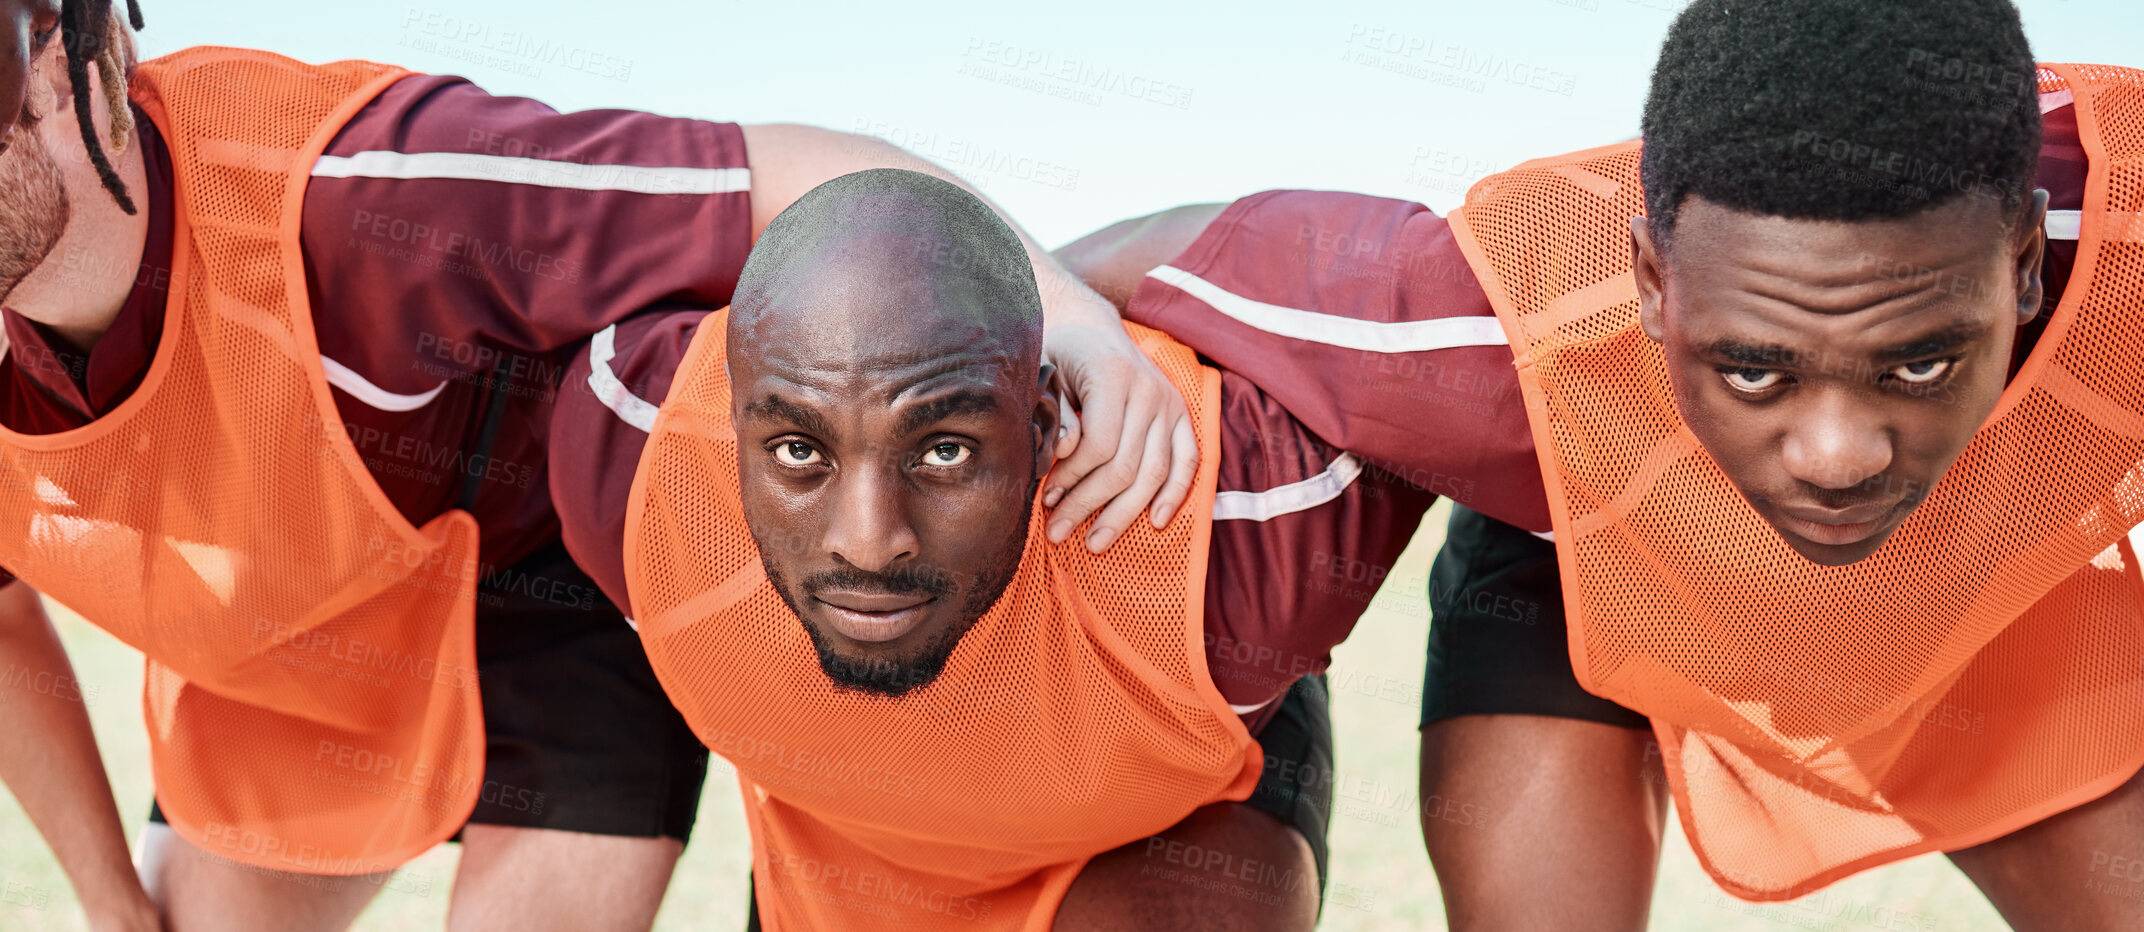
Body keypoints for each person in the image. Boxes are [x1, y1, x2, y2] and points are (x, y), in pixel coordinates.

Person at [0, 4, 1193, 929]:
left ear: (57, 76)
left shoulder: (364, 191)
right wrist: (108, 899)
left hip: (560, 614)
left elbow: (793, 174)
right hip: (287, 663)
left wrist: (1072, 319)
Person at [1059, 0, 2144, 927]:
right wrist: (1086, 335)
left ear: (2019, 265)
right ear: (1647, 278)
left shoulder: (2122, 254)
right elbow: (1070, 266)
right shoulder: (1473, 320)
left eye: (1917, 364)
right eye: (1753, 370)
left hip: (1960, 591)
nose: (1835, 456)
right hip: (1571, 571)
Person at [545, 166, 1560, 930]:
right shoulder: (622, 449)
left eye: (942, 448)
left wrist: (1072, 306)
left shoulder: (1235, 523)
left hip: (1157, 819)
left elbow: (1499, 374)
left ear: (1041, 424)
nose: (869, 539)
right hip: (844, 839)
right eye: (801, 450)